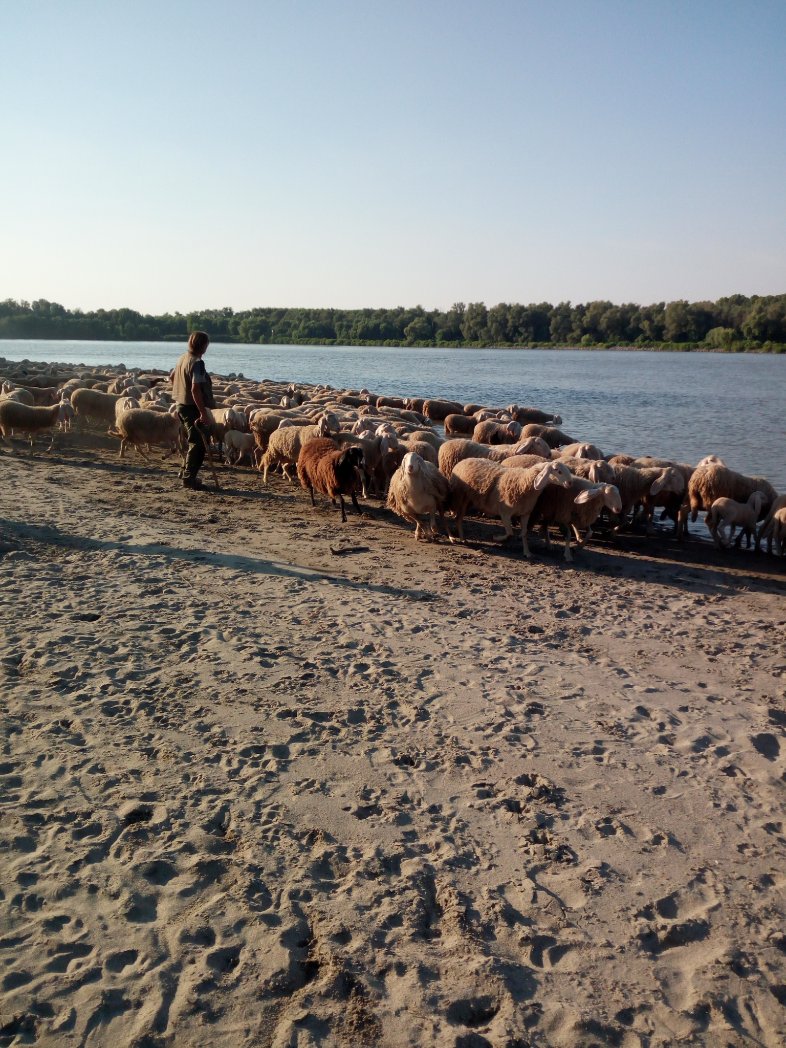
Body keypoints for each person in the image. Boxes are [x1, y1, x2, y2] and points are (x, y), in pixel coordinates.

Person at [171, 331, 214, 489]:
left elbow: (171, 377)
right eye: (206, 345)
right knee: (198, 443)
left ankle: (184, 472)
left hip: (180, 405)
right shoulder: (197, 363)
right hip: (192, 407)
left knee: (191, 441)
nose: (207, 348)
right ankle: (189, 478)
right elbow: (196, 389)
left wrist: (180, 392)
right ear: (202, 345)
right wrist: (202, 412)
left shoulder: (182, 358)